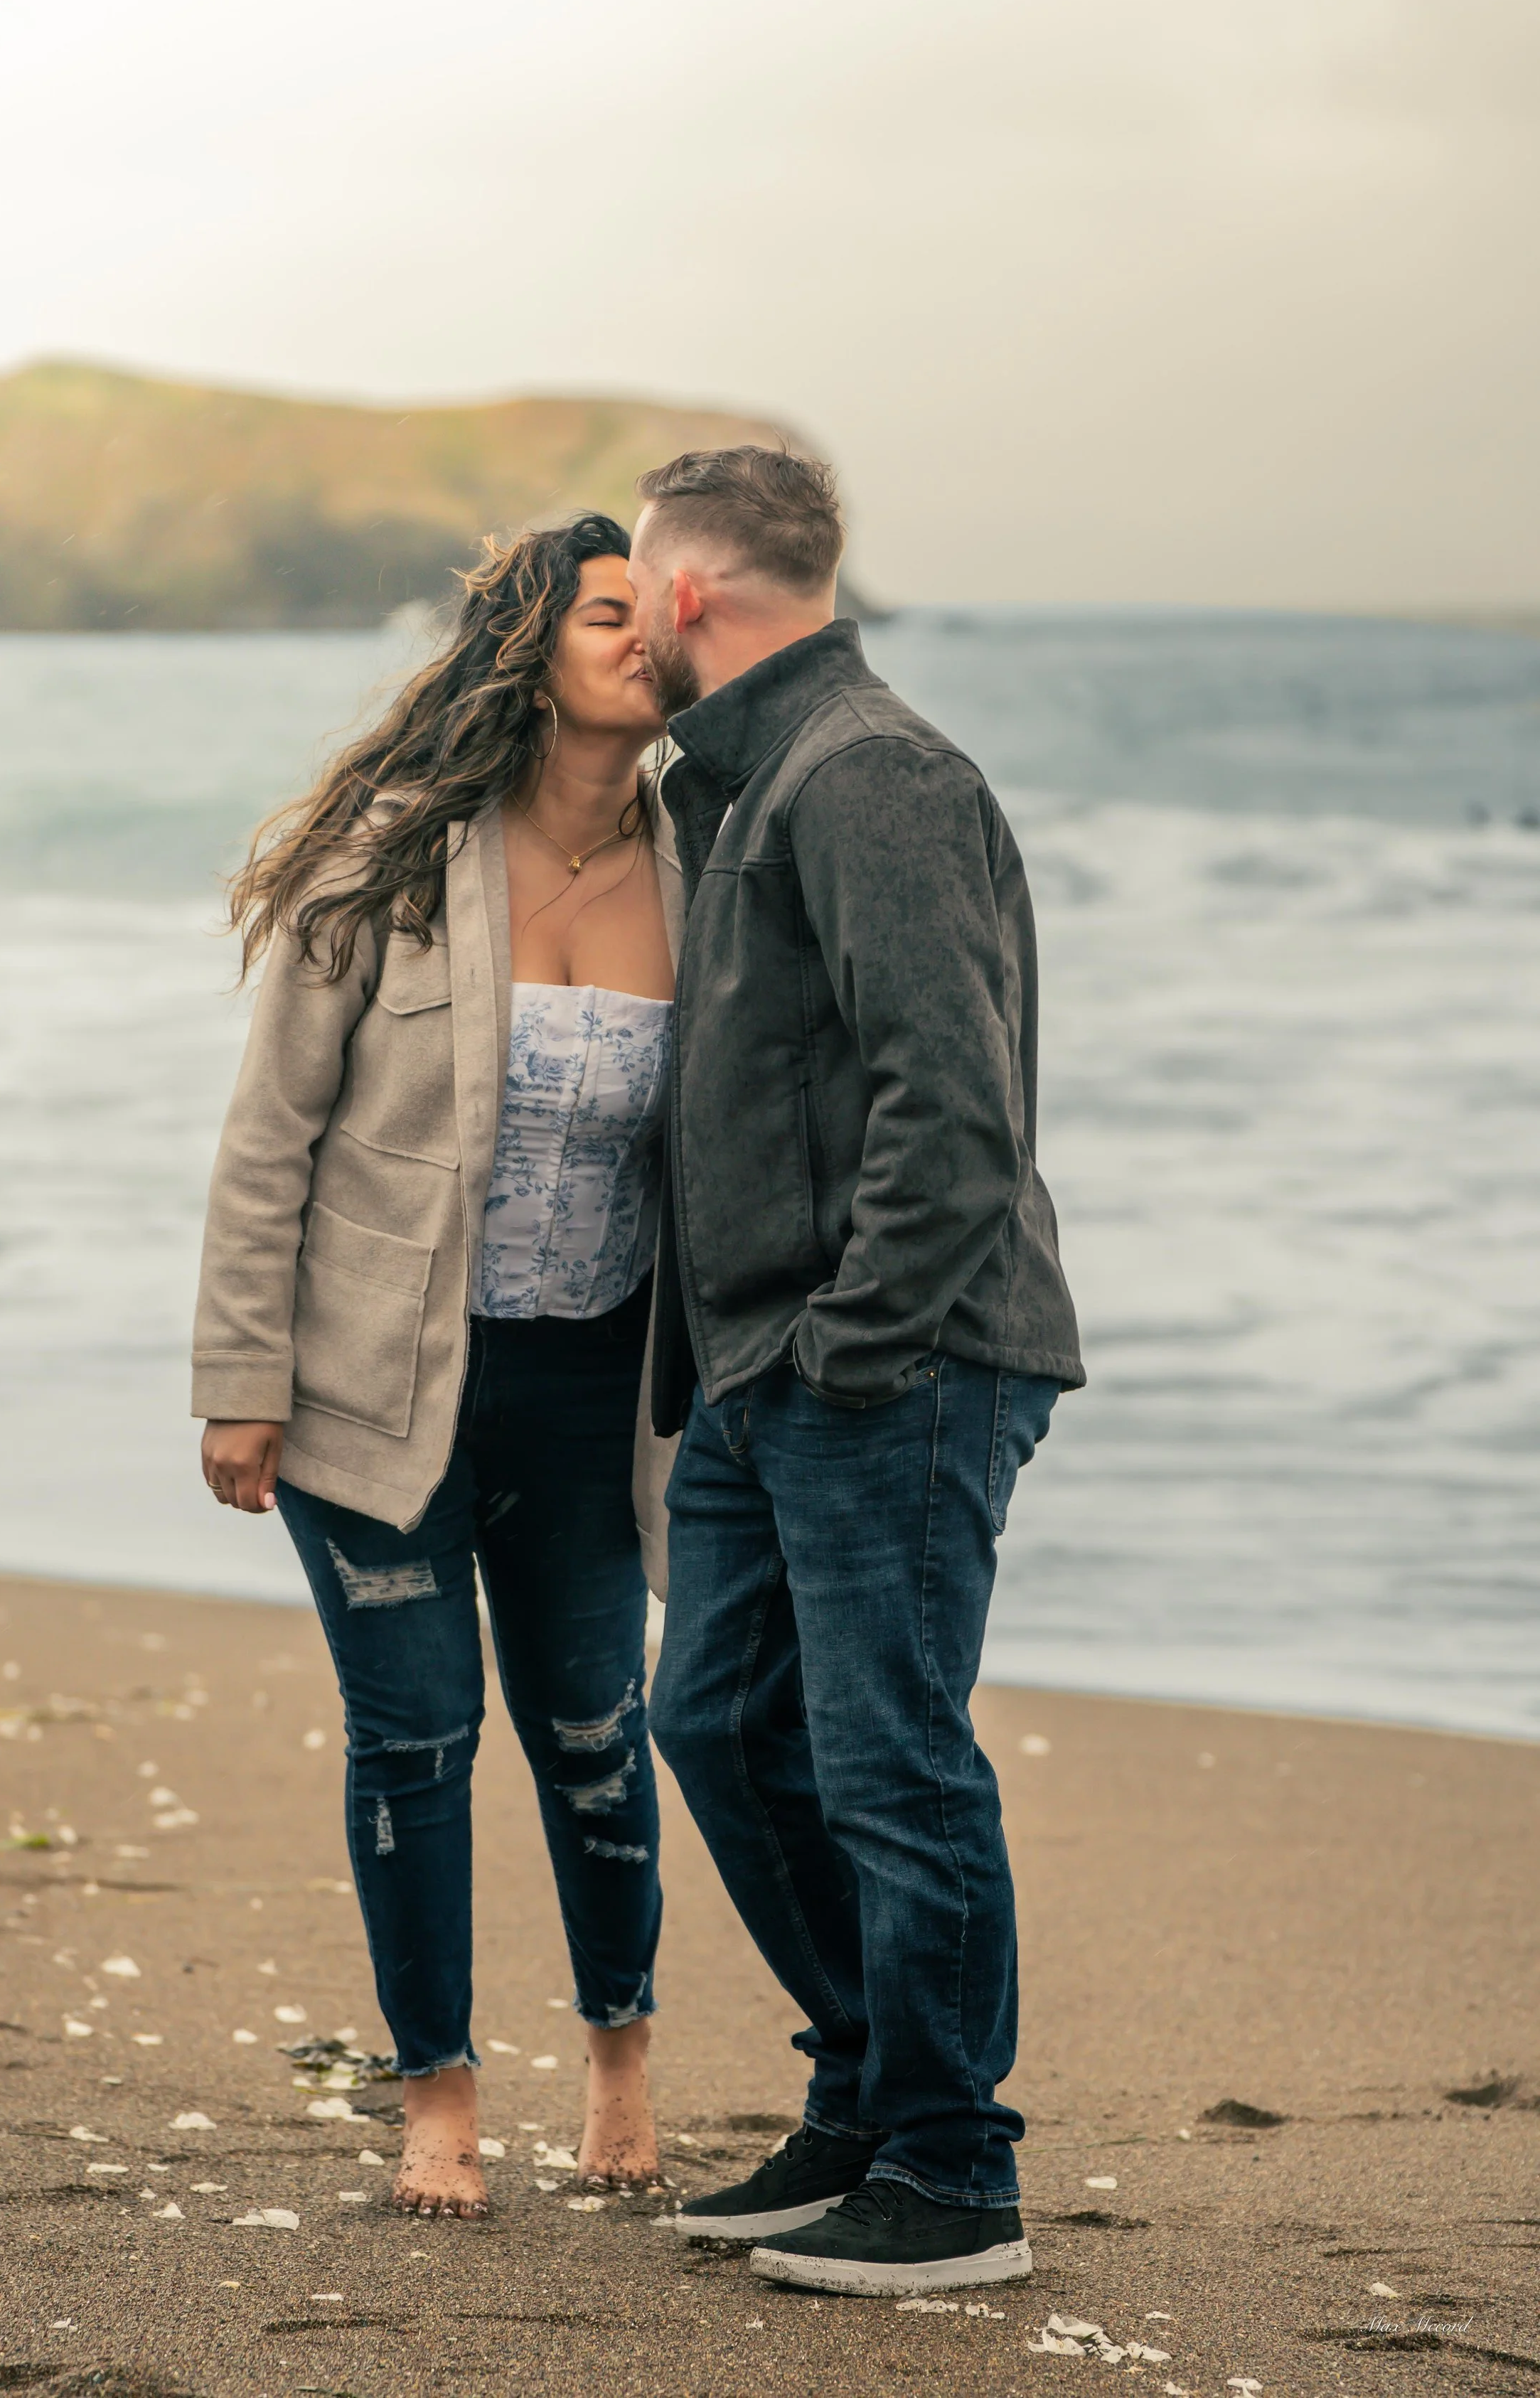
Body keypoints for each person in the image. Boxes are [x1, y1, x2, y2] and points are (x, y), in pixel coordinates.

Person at [192, 513, 685, 2218]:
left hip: (586, 1393)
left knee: (595, 1730)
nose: (642, 636)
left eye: (657, 616)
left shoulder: (710, 869)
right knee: (412, 1739)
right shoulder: (390, 862)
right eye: (608, 611)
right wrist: (237, 1372)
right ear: (529, 647)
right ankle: (437, 2092)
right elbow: (271, 1138)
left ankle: (619, 2050)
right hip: (370, 1386)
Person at [631, 446, 1084, 2296]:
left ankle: (953, 2170)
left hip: (887, 1361)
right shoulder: (750, 783)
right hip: (766, 1362)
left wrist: (854, 1340)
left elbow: (953, 1100)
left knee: (885, 1754)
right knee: (720, 1722)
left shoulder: (868, 772)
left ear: (679, 596)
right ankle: (870, 2097)